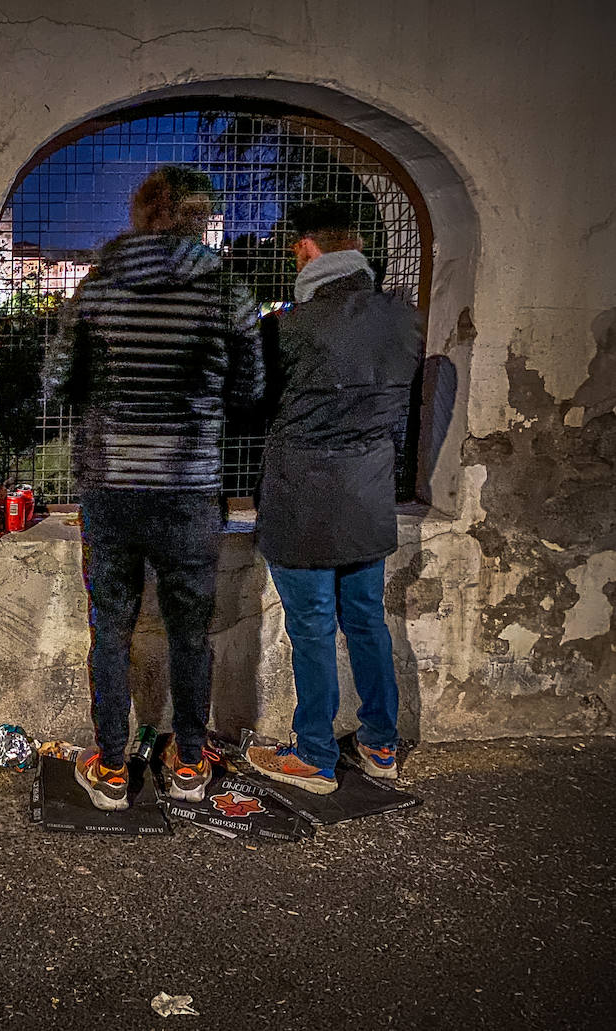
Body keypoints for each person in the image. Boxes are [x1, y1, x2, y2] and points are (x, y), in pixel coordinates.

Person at [45, 165, 263, 811]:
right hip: (190, 488)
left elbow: (57, 381)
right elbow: (251, 393)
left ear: (141, 214)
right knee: (190, 633)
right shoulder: (227, 290)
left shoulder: (99, 285)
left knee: (108, 629)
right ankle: (190, 762)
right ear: (201, 218)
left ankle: (112, 767)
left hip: (111, 488)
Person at [246, 199, 424, 794]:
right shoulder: (404, 319)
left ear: (308, 249)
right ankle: (380, 745)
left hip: (304, 499)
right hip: (369, 492)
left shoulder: (288, 327)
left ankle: (316, 756)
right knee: (368, 621)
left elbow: (252, 404)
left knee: (315, 627)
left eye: (295, 249)